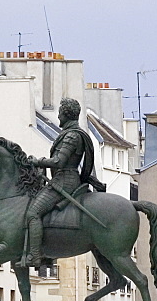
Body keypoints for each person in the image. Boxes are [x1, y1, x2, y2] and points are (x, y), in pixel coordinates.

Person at [23, 97, 105, 267]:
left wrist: (37, 161)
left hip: (64, 181)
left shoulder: (72, 136)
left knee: (33, 213)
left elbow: (59, 161)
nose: (58, 116)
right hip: (64, 178)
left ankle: (36, 256)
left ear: (66, 114)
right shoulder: (71, 133)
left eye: (60, 113)